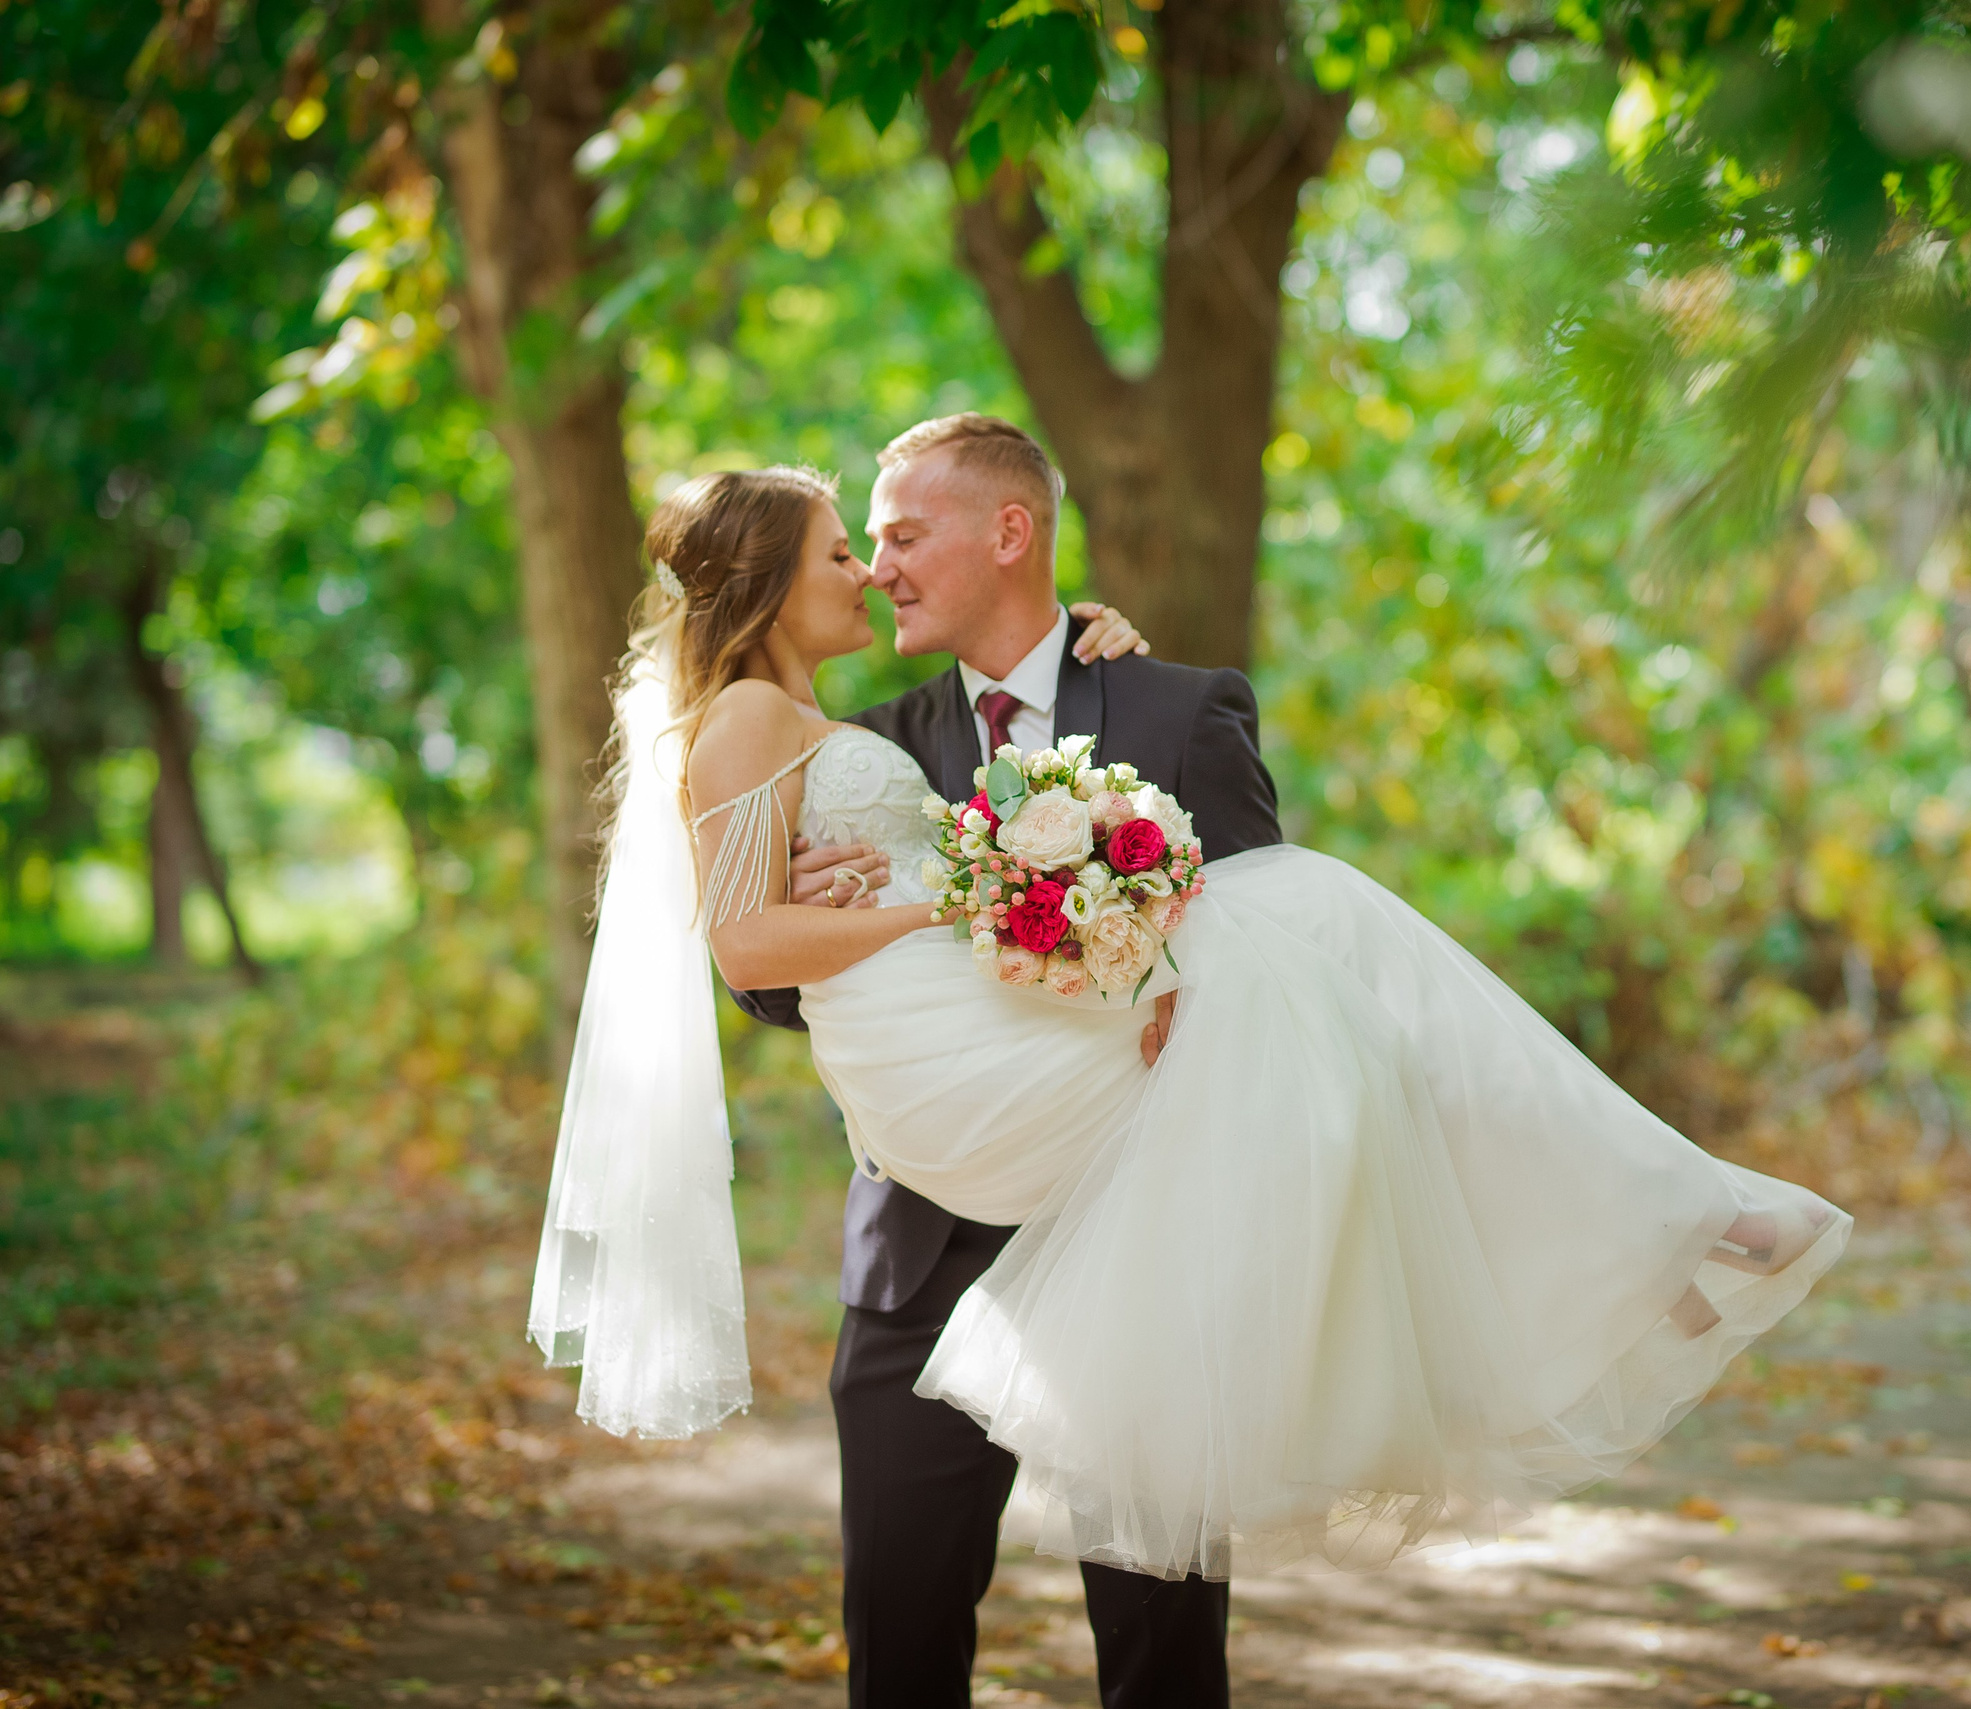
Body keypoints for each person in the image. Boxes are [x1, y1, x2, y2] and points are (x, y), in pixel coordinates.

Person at [532, 416, 1847, 1709]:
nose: (877, 569)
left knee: (1160, 1632)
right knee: (903, 1610)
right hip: (933, 1218)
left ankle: (1642, 1233)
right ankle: (1670, 1219)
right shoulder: (871, 727)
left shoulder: (1171, 703)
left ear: (1013, 532)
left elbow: (1273, 964)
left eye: (900, 535)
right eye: (855, 548)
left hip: (1156, 1201)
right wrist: (863, 907)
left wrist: (1162, 981)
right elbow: (770, 966)